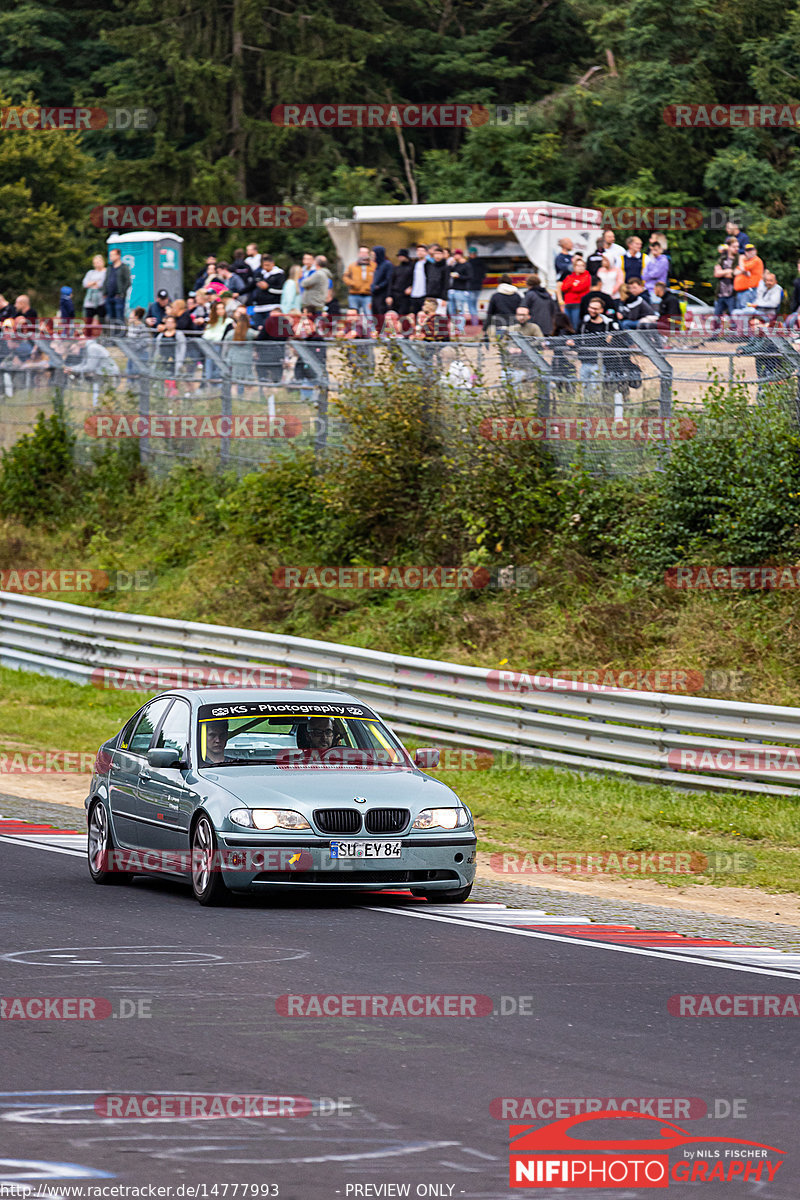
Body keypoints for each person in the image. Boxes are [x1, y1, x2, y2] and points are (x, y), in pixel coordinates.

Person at [572, 297, 620, 392]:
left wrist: (609, 340)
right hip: (584, 361)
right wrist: (572, 343)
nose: (592, 311)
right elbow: (577, 340)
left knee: (596, 390)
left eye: (595, 309)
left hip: (600, 362)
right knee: (584, 390)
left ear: (601, 310)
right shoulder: (583, 323)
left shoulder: (608, 325)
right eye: (590, 308)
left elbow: (616, 342)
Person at [155, 314, 186, 395]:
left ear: (175, 324)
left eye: (171, 322)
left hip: (174, 362)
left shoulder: (178, 335)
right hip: (163, 361)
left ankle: (173, 397)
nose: (169, 324)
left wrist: (180, 362)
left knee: (173, 382)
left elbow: (182, 348)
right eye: (167, 322)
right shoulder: (160, 336)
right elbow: (157, 349)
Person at [483, 274, 522, 339]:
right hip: (514, 324)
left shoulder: (495, 296)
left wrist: (484, 328)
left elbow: (490, 313)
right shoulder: (517, 296)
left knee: (500, 346)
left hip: (499, 325)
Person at [252, 253, 286, 328]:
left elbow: (282, 290)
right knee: (257, 328)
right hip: (259, 307)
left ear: (273, 264)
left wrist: (268, 288)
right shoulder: (260, 274)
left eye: (267, 265)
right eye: (264, 265)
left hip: (272, 307)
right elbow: (251, 286)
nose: (265, 267)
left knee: (269, 328)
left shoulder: (279, 275)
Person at [558, 256, 592, 329]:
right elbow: (563, 288)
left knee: (576, 324)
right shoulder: (570, 276)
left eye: (582, 265)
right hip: (568, 303)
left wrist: (571, 285)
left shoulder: (587, 276)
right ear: (574, 267)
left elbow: (580, 288)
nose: (581, 267)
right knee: (567, 324)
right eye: (578, 265)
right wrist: (573, 283)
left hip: (578, 303)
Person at [714, 237, 739, 323]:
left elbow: (735, 274)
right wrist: (729, 271)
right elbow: (716, 274)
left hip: (732, 294)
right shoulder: (723, 258)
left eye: (737, 247)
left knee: (734, 317)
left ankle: (735, 336)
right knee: (717, 317)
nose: (736, 249)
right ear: (728, 247)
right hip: (721, 293)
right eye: (734, 247)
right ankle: (715, 335)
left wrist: (723, 272)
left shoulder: (738, 259)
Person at [343, 246, 374, 316]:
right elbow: (345, 277)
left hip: (368, 295)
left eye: (365, 252)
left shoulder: (373, 266)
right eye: (362, 252)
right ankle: (354, 327)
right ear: (358, 254)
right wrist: (352, 283)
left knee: (368, 314)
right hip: (354, 294)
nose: (363, 254)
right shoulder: (352, 265)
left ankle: (369, 327)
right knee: (353, 314)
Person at [105, 247, 131, 327]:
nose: (111, 257)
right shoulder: (110, 267)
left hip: (119, 297)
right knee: (111, 317)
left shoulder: (124, 267)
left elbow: (128, 282)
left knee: (119, 316)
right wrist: (104, 292)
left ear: (118, 256)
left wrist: (121, 292)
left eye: (112, 255)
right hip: (109, 296)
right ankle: (113, 335)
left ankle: (120, 335)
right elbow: (106, 280)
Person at [733, 243, 763, 310]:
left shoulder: (756, 260)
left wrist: (740, 259)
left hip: (749, 290)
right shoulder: (745, 261)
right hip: (741, 291)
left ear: (755, 251)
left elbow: (742, 269)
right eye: (747, 250)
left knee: (746, 311)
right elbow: (735, 272)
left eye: (751, 250)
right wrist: (743, 270)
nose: (749, 252)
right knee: (739, 311)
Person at [369, 245, 393, 324]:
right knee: (375, 315)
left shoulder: (387, 264)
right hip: (375, 294)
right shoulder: (377, 265)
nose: (372, 257)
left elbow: (389, 280)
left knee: (381, 314)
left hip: (382, 294)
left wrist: (379, 286)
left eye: (373, 255)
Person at [82, 256, 106, 327]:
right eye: (95, 263)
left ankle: (103, 336)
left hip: (102, 301)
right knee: (88, 321)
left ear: (103, 262)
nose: (97, 264)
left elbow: (102, 284)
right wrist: (95, 282)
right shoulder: (90, 272)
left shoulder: (106, 272)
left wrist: (91, 283)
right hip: (89, 301)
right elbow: (85, 284)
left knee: (102, 321)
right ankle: (88, 336)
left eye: (98, 262)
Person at [447, 248, 471, 318]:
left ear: (460, 255)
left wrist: (459, 276)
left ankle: (460, 327)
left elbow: (470, 276)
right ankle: (454, 327)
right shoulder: (455, 264)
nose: (454, 256)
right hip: (452, 290)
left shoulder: (467, 265)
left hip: (461, 290)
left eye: (455, 255)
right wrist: (450, 264)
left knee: (459, 310)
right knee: (451, 311)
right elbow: (448, 271)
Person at [389, 248, 413, 316]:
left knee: (403, 314)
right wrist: (389, 295)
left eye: (401, 256)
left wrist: (411, 287)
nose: (400, 258)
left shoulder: (412, 267)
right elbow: (391, 282)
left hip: (405, 295)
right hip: (395, 294)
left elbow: (414, 279)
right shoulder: (397, 268)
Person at [465, 246, 485, 321]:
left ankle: (474, 320)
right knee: (474, 303)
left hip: (471, 286)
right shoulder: (481, 263)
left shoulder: (468, 263)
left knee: (471, 305)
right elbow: (483, 275)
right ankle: (475, 319)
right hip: (479, 286)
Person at [409, 244, 429, 314]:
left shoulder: (429, 264)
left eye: (422, 251)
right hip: (414, 293)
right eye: (418, 251)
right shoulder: (413, 264)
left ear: (426, 253)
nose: (420, 252)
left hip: (424, 294)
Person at [785, 259, 800, 331]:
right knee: (789, 321)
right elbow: (795, 299)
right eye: (799, 267)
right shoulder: (797, 282)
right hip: (798, 310)